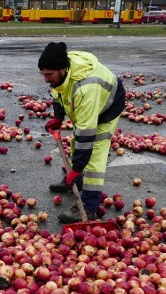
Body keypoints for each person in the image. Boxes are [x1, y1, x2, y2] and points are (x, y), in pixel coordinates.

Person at [39, 42, 125, 224]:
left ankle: (89, 207)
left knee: (94, 154)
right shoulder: (62, 69)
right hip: (88, 104)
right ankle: (75, 181)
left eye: (48, 75)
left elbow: (86, 136)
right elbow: (60, 91)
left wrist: (77, 167)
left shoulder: (86, 87)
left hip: (107, 107)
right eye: (43, 74)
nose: (45, 79)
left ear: (62, 69)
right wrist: (58, 115)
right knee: (75, 142)